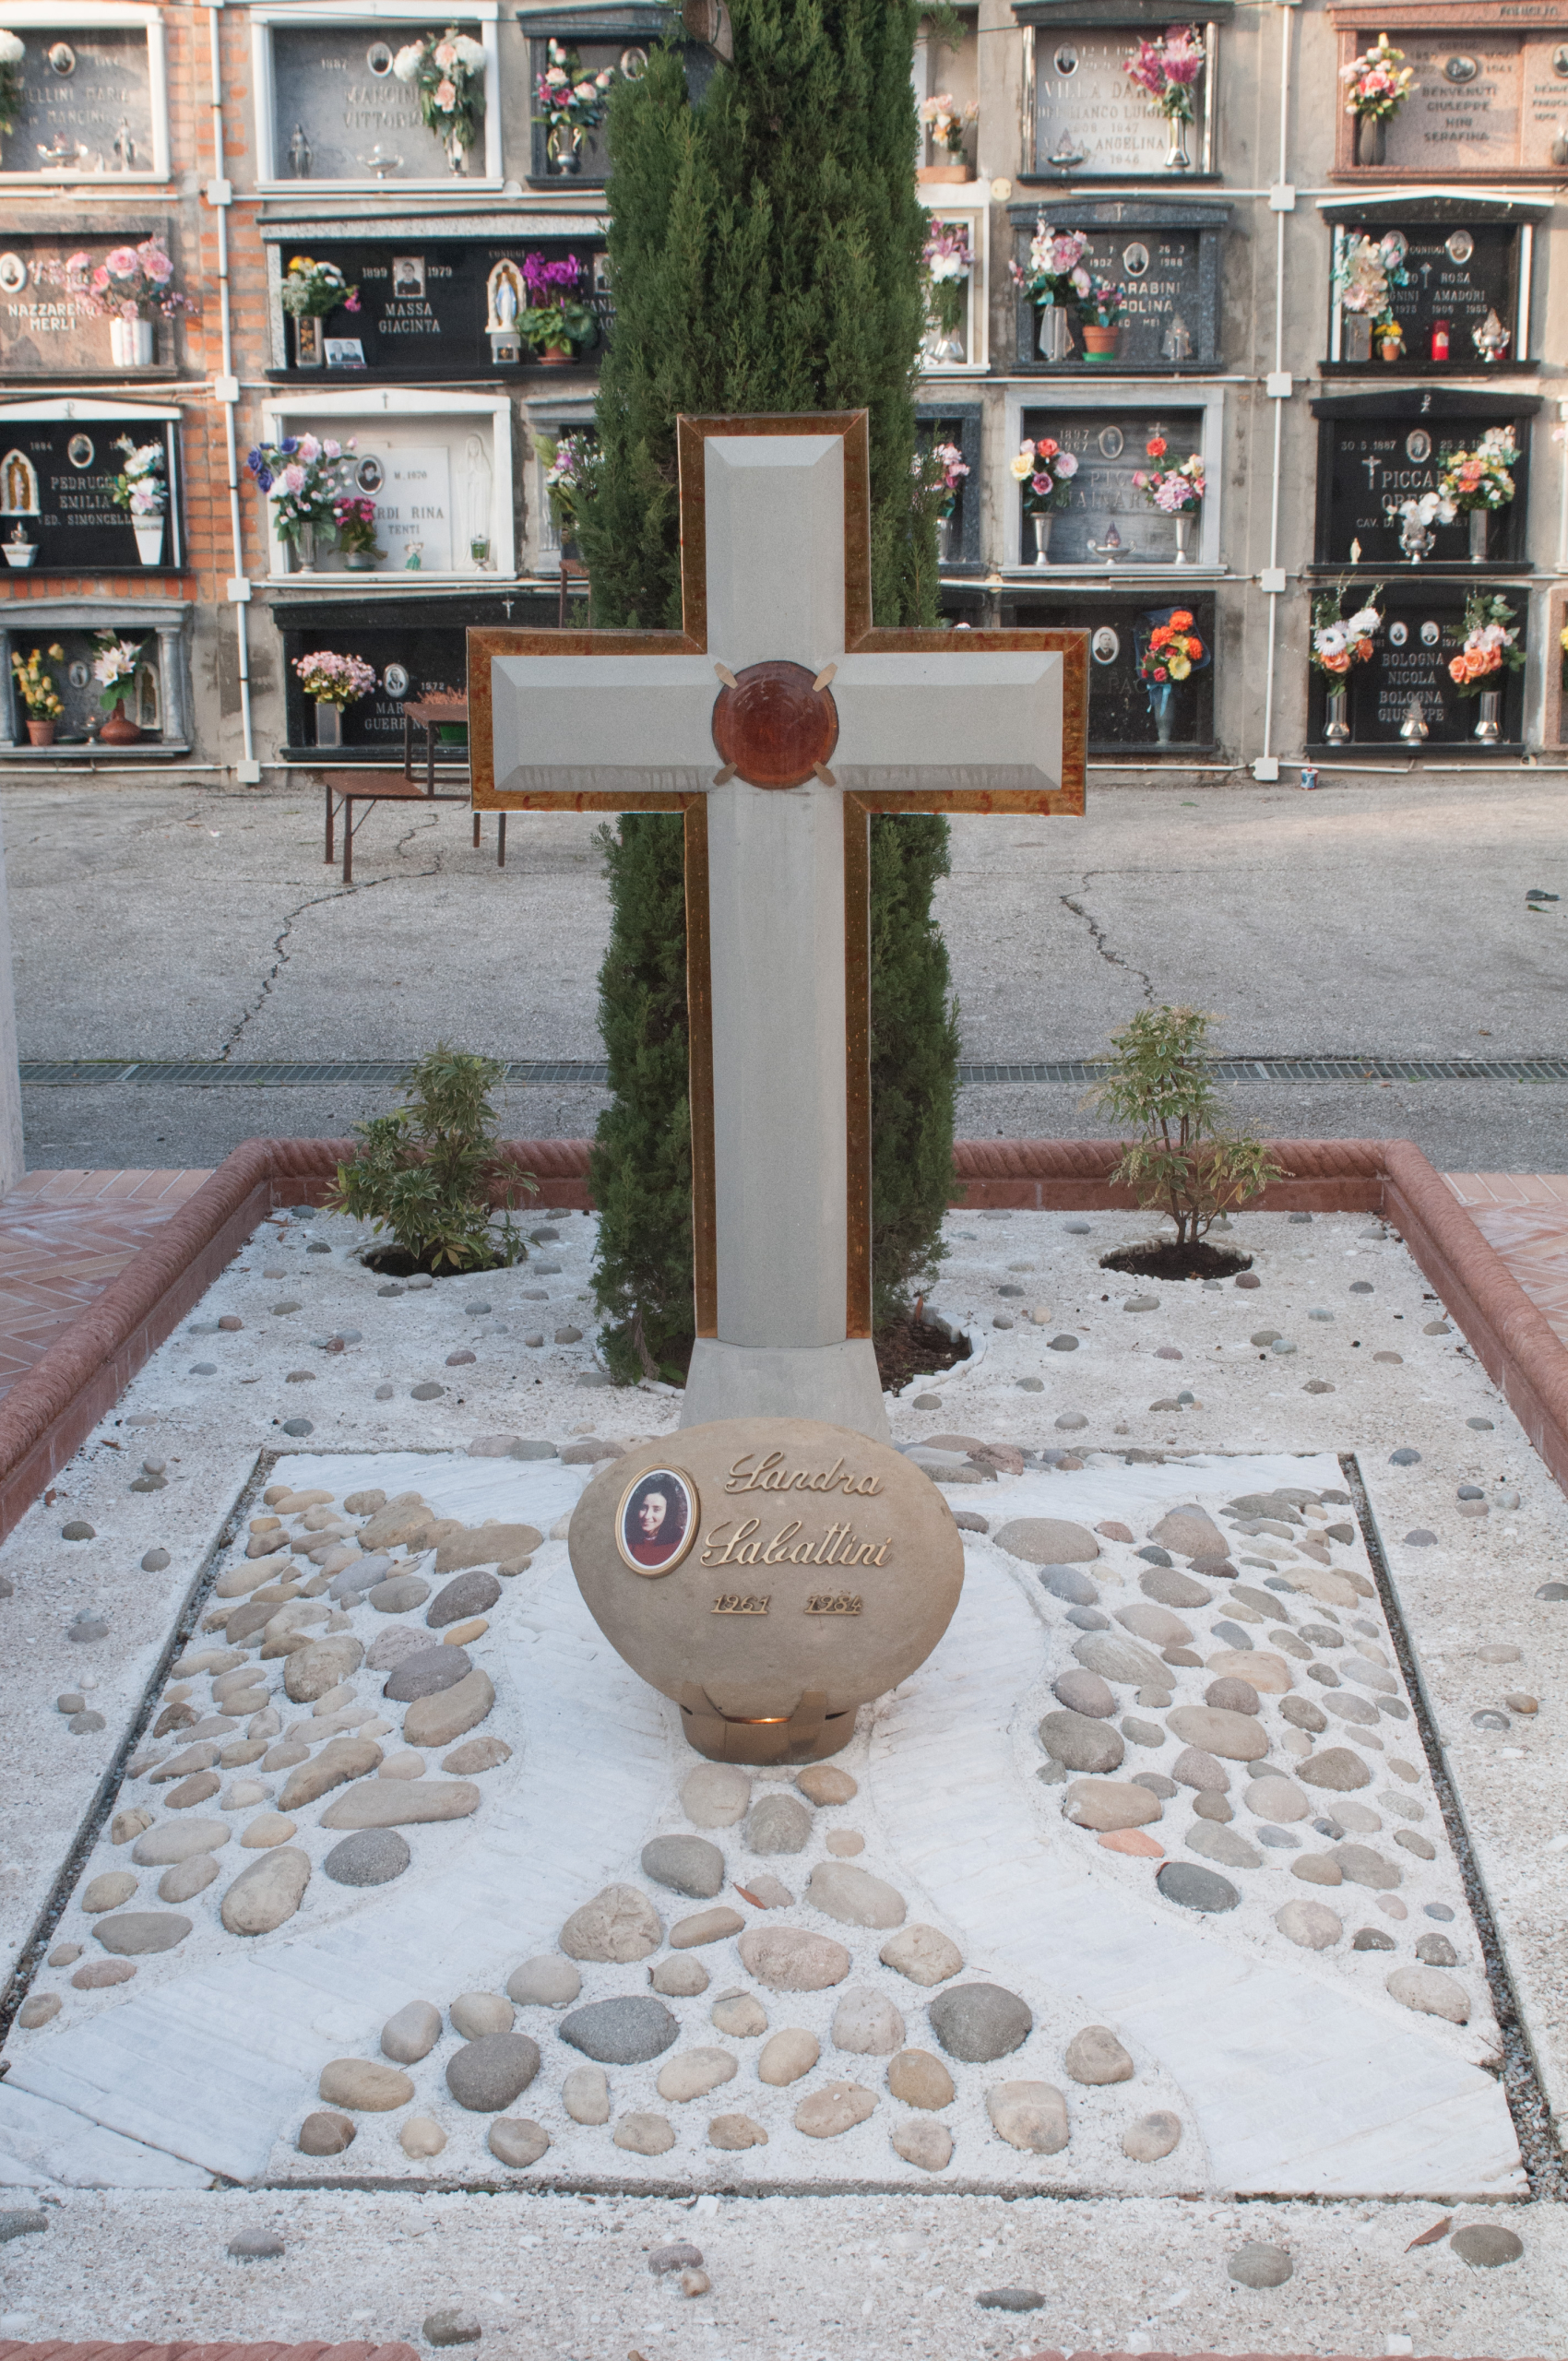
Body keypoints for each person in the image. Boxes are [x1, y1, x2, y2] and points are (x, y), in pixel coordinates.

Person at [624, 1473, 687, 1568]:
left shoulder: (679, 1541)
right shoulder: (627, 1540)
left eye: (656, 1509)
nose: (647, 1516)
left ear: (668, 1512)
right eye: (643, 1508)